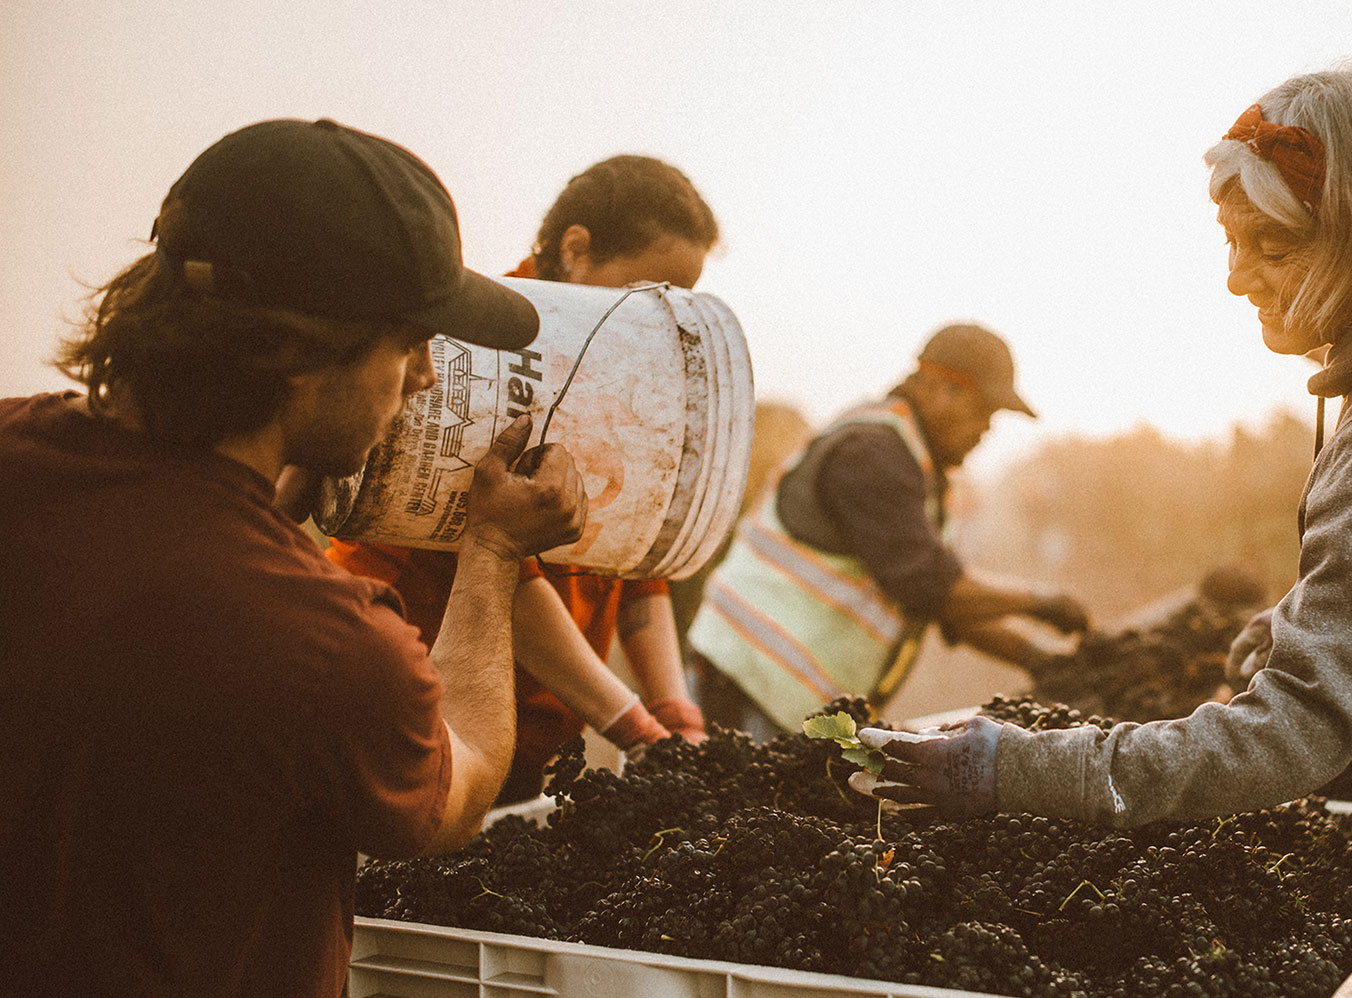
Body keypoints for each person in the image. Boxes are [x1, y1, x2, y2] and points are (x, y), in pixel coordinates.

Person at [860, 63, 1352, 998]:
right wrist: (1289, 629)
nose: (1237, 279)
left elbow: (1292, 740)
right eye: (1229, 241)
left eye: (1272, 246)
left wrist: (1011, 770)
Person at [0, 119, 586, 995]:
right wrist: (494, 548)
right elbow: (456, 785)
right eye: (407, 344)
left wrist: (276, 493)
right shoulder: (327, 647)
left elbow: (165, 561)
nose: (423, 377)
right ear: (292, 353)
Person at [325, 155, 720, 802]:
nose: (659, 319)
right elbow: (509, 567)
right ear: (576, 248)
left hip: (530, 719)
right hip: (420, 697)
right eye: (647, 290)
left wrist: (675, 708)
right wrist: (633, 724)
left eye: (676, 302)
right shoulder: (480, 347)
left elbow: (641, 548)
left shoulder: (626, 363)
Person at [687, 322, 1093, 736]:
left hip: (777, 697)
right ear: (939, 387)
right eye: (983, 412)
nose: (986, 429)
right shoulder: (873, 453)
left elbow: (953, 608)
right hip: (744, 686)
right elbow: (933, 588)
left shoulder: (917, 466)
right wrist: (1042, 602)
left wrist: (1043, 661)